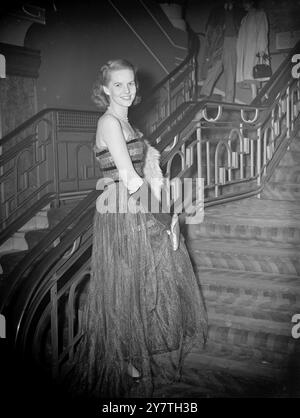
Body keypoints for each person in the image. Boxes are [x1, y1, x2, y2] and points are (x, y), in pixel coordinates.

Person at [64, 59, 208, 399]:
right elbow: (129, 180)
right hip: (123, 212)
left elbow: (146, 171)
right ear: (104, 89)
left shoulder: (128, 123)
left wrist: (166, 210)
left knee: (141, 282)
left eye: (130, 84)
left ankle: (128, 356)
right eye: (118, 84)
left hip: (136, 208)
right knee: (128, 283)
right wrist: (165, 217)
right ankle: (119, 360)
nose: (127, 90)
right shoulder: (109, 122)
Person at [200, 0, 244, 102]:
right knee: (215, 67)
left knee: (230, 71)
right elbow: (209, 27)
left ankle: (229, 99)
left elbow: (243, 28)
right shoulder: (217, 10)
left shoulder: (239, 11)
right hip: (219, 41)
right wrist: (211, 43)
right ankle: (204, 93)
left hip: (233, 41)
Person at [236, 0, 270, 98]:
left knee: (257, 72)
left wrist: (261, 49)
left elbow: (263, 31)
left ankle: (258, 95)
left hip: (257, 49)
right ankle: (257, 94)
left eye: (246, 2)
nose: (244, 5)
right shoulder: (245, 19)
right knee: (251, 73)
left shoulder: (260, 14)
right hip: (247, 51)